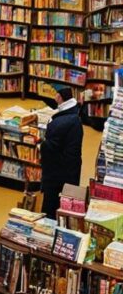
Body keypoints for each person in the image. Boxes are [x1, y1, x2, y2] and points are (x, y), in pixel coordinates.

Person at [39, 87, 84, 217]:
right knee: (65, 200)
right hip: (71, 169)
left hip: (57, 172)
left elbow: (50, 147)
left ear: (59, 97)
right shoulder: (74, 117)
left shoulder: (60, 122)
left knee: (51, 202)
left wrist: (42, 146)